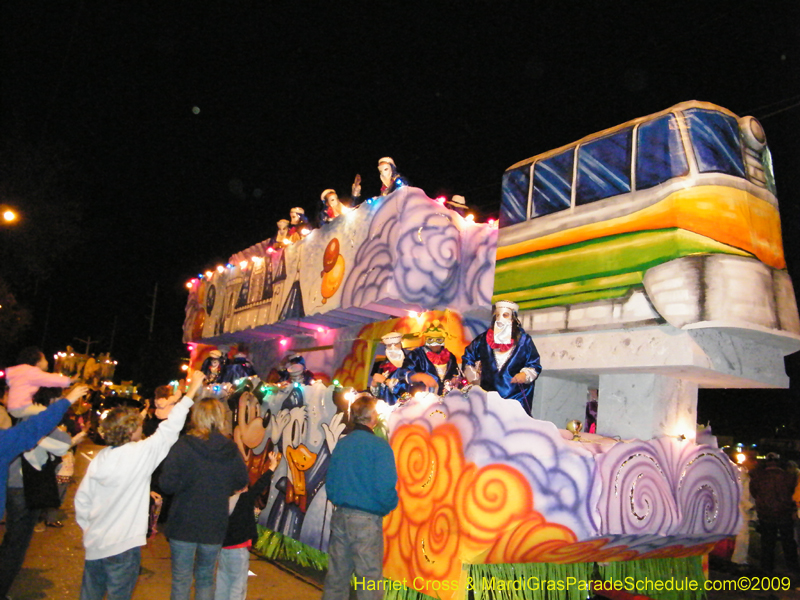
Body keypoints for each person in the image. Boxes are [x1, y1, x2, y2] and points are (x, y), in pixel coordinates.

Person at [74, 373, 205, 600]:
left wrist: (90, 529)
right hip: (123, 544)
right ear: (130, 431)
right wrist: (191, 390)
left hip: (96, 544)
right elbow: (171, 427)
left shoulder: (101, 458)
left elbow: (82, 500)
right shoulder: (140, 454)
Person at [0, 383, 89, 599]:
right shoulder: (6, 440)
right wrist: (68, 400)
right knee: (16, 543)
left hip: (17, 487)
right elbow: (33, 430)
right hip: (23, 486)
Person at [160, 398, 248, 600]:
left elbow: (167, 484)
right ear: (220, 418)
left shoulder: (182, 446)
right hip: (214, 524)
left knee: (181, 579)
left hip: (183, 523)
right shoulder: (230, 449)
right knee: (206, 578)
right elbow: (241, 481)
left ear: (196, 417)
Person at [322, 394, 398, 600]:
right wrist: (386, 506)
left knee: (337, 576)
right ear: (373, 417)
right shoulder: (380, 447)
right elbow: (386, 486)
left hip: (340, 516)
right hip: (366, 519)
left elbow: (331, 482)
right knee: (369, 580)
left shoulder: (343, 444)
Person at [215, 450, 280, 600]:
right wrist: (272, 466)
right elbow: (259, 486)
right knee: (238, 585)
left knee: (223, 581)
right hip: (239, 549)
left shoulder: (223, 500)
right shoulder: (244, 499)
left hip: (223, 548)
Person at [461, 300, 542, 415]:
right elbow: (468, 357)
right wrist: (474, 378)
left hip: (516, 399)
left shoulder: (524, 341)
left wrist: (525, 375)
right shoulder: (483, 340)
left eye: (505, 315)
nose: (500, 319)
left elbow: (534, 364)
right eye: (497, 315)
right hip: (488, 399)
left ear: (513, 319)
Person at [749, 452, 800, 573]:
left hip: (766, 514)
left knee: (767, 542)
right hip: (784, 513)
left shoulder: (758, 477)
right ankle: (792, 568)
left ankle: (767, 568)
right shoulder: (787, 476)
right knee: (788, 542)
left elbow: (754, 492)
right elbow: (793, 493)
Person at [6, 346, 74, 418]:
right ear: (38, 363)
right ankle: (56, 429)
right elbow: (49, 379)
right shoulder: (31, 372)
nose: (47, 362)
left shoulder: (22, 372)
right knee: (49, 413)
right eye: (44, 359)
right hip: (21, 406)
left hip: (16, 407)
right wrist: (69, 380)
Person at [399, 323, 460, 396]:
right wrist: (419, 376)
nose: (435, 343)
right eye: (430, 339)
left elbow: (455, 373)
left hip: (445, 399)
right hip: (421, 399)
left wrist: (455, 380)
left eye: (439, 339)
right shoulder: (416, 354)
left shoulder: (450, 356)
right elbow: (401, 373)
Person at [369, 332, 407, 405]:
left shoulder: (409, 365)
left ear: (400, 345)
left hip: (402, 409)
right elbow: (378, 394)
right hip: (385, 408)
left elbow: (407, 389)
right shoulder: (381, 365)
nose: (393, 348)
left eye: (396, 344)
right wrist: (374, 385)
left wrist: (385, 380)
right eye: (389, 345)